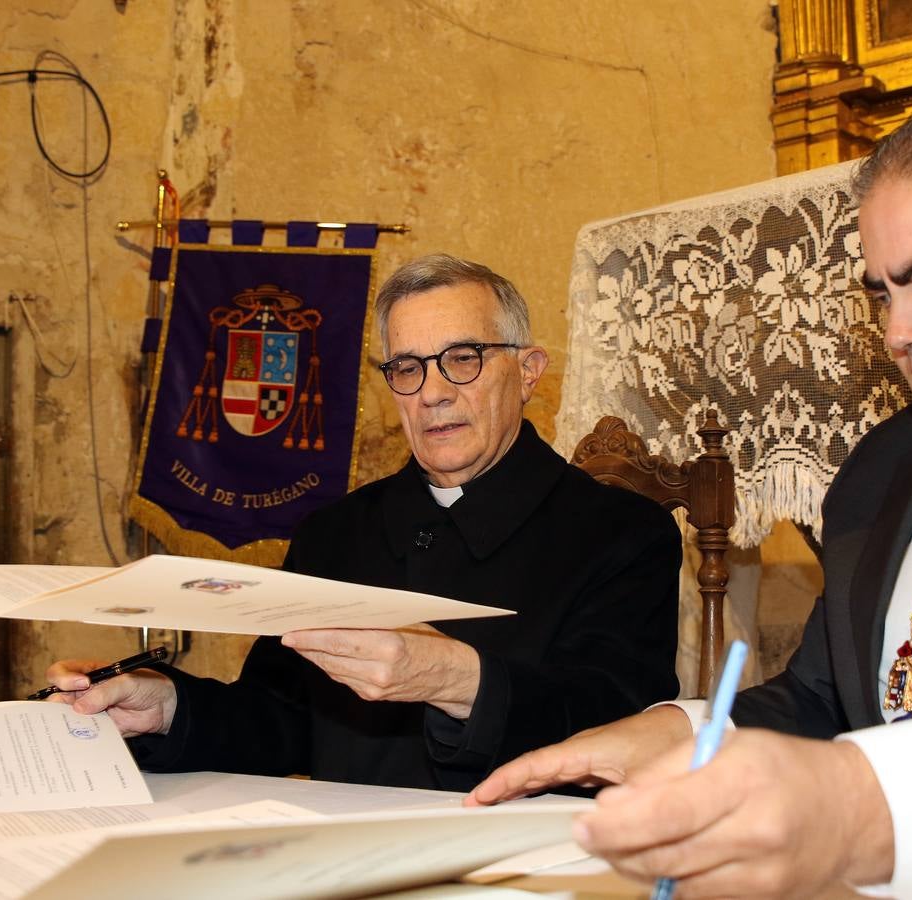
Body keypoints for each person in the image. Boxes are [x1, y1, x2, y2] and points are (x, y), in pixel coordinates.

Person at [467, 87, 912, 898]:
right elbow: (825, 698)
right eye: (882, 293)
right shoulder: (889, 461)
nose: (896, 333)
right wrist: (685, 733)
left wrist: (861, 807)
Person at [46, 253, 681, 792]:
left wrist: (455, 679)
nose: (432, 392)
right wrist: (170, 708)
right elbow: (281, 720)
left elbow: (620, 728)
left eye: (463, 357)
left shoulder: (623, 533)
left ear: (529, 372)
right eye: (407, 368)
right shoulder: (335, 532)